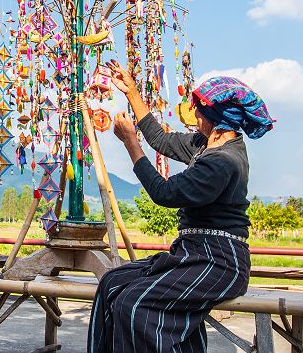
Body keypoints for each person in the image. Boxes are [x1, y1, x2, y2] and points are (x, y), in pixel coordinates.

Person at [87, 61, 275, 353]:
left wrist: (130, 143)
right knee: (111, 283)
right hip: (192, 254)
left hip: (220, 261)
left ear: (216, 119)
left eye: (200, 111)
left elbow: (164, 193)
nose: (195, 115)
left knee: (133, 305)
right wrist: (132, 92)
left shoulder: (222, 161)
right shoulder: (205, 144)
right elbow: (161, 139)